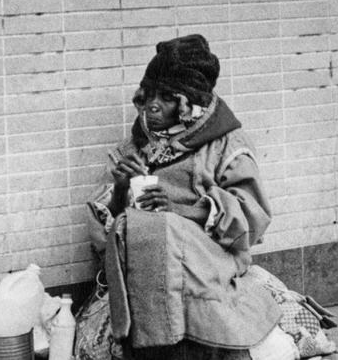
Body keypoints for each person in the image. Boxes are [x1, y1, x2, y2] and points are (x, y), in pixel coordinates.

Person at [90, 35, 283, 360]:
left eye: (166, 98)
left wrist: (180, 211)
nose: (152, 106)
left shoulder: (226, 146)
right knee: (155, 233)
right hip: (145, 264)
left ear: (189, 105)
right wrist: (122, 188)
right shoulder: (139, 145)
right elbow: (106, 233)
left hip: (208, 257)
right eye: (148, 96)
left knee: (164, 232)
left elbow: (253, 218)